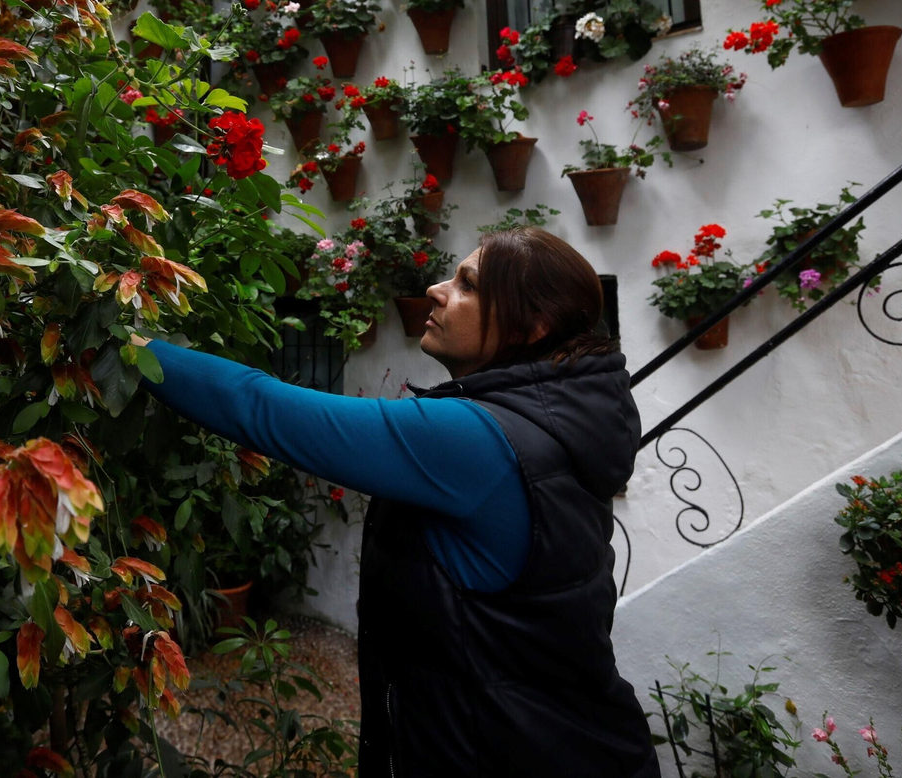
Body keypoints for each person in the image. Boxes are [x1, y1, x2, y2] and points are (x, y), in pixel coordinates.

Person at [137, 225, 660, 777]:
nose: (437, 289)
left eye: (468, 285)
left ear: (532, 327)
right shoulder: (555, 425)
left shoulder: (476, 440)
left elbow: (262, 408)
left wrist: (130, 344)